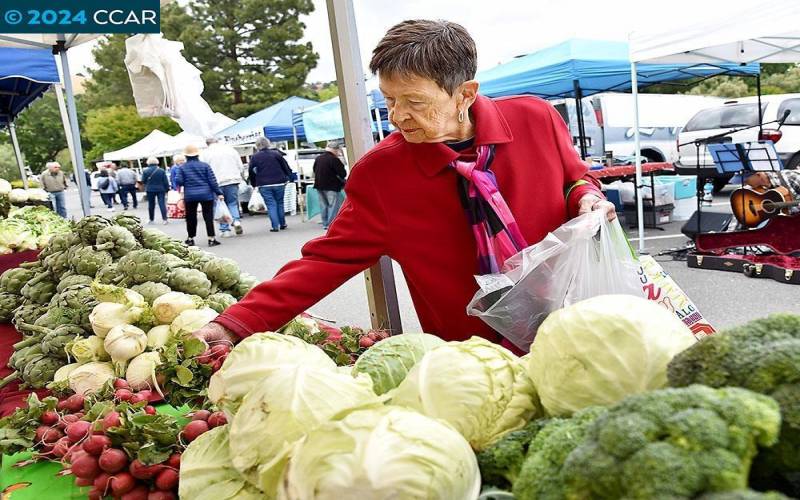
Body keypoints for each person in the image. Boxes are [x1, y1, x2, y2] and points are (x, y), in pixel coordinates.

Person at [193, 20, 614, 350]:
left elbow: (574, 176)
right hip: (474, 356)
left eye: (414, 101)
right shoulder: (383, 173)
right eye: (389, 100)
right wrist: (234, 323)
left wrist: (587, 196)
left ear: (464, 93)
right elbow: (323, 261)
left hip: (577, 320)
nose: (397, 116)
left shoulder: (535, 118)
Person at [175, 145, 223, 247]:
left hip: (190, 196)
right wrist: (219, 193)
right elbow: (212, 181)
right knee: (208, 217)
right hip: (206, 194)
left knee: (191, 217)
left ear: (186, 156)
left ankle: (190, 238)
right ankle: (211, 238)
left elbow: (179, 181)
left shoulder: (182, 167)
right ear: (197, 154)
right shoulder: (205, 166)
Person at [201, 137, 244, 237]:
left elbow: (204, 170)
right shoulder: (230, 149)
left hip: (216, 183)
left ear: (207, 144)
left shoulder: (205, 153)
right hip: (232, 180)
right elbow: (240, 166)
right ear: (217, 141)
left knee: (220, 205)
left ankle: (225, 229)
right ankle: (236, 220)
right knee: (232, 203)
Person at [249, 137, 293, 232]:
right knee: (280, 203)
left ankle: (275, 226)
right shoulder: (276, 154)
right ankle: (282, 223)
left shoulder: (255, 157)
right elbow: (285, 167)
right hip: (279, 182)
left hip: (264, 184)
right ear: (268, 144)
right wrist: (288, 177)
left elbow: (251, 172)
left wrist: (253, 184)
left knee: (271, 204)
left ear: (257, 146)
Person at [313, 141, 347, 230]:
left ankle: (325, 223)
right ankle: (330, 224)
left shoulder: (318, 158)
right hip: (331, 185)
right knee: (333, 206)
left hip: (319, 185)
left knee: (323, 205)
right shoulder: (334, 159)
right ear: (335, 150)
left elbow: (314, 170)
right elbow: (342, 173)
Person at [141, 157, 170, 225]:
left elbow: (143, 181)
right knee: (162, 203)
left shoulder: (145, 171)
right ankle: (165, 219)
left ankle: (151, 219)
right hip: (160, 189)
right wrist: (167, 189)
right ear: (157, 162)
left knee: (151, 204)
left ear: (148, 163)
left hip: (150, 189)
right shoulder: (161, 170)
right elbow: (165, 181)